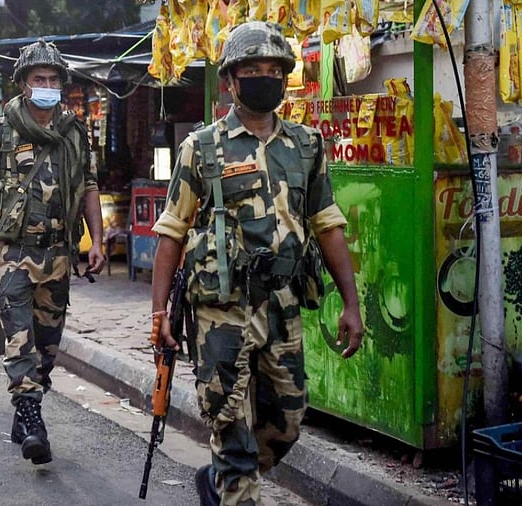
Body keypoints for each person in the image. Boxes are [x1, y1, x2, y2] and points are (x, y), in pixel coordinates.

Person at [148, 22, 364, 505]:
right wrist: (159, 314)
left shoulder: (306, 146)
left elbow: (327, 223)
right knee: (230, 426)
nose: (264, 77)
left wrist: (351, 303)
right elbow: (171, 232)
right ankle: (235, 480)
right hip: (220, 312)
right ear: (229, 81)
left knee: (287, 420)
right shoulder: (201, 147)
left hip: (283, 304)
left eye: (273, 69)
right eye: (251, 70)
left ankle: (224, 478)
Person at [0, 40, 105, 466]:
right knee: (19, 338)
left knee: (47, 344)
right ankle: (32, 419)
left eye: (53, 78)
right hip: (13, 253)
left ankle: (26, 409)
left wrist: (97, 241)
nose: (46, 85)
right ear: (23, 84)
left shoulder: (74, 132)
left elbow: (90, 188)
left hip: (59, 253)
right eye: (38, 79)